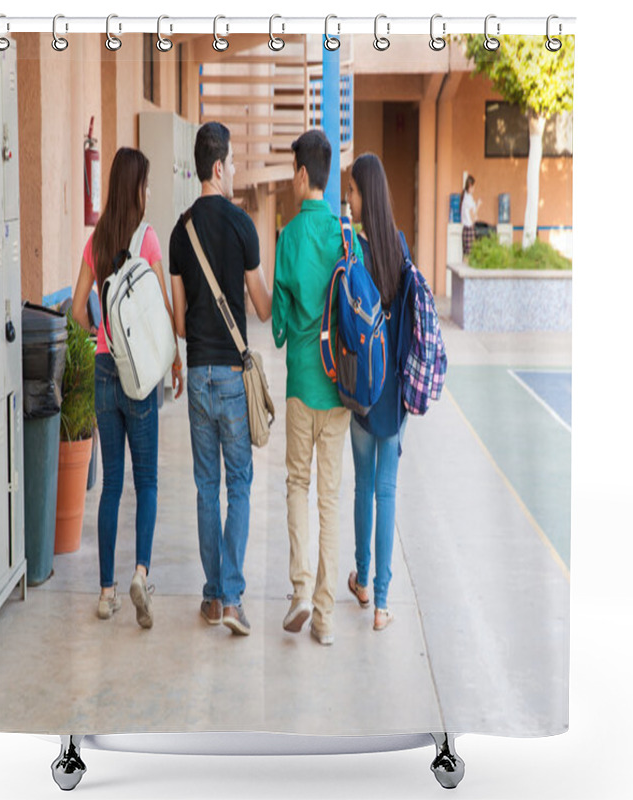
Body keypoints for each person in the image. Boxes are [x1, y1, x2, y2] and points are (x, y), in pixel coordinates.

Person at [72, 146, 183, 629]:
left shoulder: (96, 242)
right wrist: (174, 358)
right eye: (147, 183)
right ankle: (140, 572)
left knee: (111, 485)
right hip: (140, 377)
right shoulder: (148, 239)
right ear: (136, 188)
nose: (149, 191)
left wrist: (101, 336)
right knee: (148, 481)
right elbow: (161, 311)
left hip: (103, 369)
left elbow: (77, 310)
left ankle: (105, 592)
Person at [168, 122, 272, 637]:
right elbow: (262, 307)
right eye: (231, 164)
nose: (234, 172)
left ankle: (213, 598)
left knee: (206, 489)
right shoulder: (242, 226)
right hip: (233, 376)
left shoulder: (178, 230)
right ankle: (231, 597)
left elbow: (179, 321)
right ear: (217, 167)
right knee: (242, 486)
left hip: (198, 373)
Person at [272, 129, 364, 646]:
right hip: (339, 390)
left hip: (301, 384)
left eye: (293, 171)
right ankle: (325, 618)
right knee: (330, 498)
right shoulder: (344, 237)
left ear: (303, 174)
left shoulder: (287, 237)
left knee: (296, 486)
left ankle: (301, 590)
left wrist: (290, 317)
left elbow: (280, 328)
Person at [345, 153, 410, 631]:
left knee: (364, 486)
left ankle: (362, 582)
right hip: (396, 392)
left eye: (352, 190)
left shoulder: (354, 251)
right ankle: (383, 605)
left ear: (366, 195)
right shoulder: (400, 248)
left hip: (363, 390)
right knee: (386, 490)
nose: (348, 198)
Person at [460, 173, 481, 258]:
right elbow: (473, 216)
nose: (474, 189)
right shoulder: (468, 199)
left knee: (465, 254)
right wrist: (478, 205)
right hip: (469, 229)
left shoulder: (465, 197)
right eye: (473, 187)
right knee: (470, 255)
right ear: (470, 186)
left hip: (465, 228)